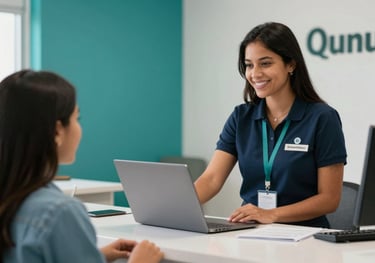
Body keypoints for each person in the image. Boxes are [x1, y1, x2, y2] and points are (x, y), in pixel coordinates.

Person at [0, 70, 164, 263]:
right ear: (57, 132)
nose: (79, 128)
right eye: (77, 118)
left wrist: (94, 256)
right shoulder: (60, 213)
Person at [194, 22, 347, 228]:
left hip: (306, 238)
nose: (255, 74)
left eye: (265, 63)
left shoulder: (322, 118)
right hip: (251, 231)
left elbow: (329, 198)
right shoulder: (241, 117)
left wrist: (271, 214)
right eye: (249, 65)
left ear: (291, 64)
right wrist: (172, 208)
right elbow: (211, 179)